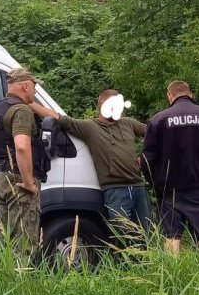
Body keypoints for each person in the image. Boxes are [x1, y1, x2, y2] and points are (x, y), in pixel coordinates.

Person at [30, 89, 151, 236]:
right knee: (122, 234)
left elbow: (155, 132)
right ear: (103, 104)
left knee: (146, 232)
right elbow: (58, 117)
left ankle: (148, 259)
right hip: (115, 189)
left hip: (138, 186)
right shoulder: (90, 127)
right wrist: (29, 102)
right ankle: (124, 259)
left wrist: (145, 158)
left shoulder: (128, 123)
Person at [143, 81, 199, 263]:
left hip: (170, 191)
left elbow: (147, 159)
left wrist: (155, 185)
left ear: (169, 96)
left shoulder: (158, 119)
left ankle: (173, 281)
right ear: (191, 94)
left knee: (172, 237)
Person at [0, 67, 46, 255]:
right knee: (23, 243)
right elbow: (21, 146)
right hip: (18, 179)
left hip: (0, 176)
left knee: (5, 239)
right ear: (25, 86)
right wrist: (28, 182)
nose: (35, 92)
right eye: (34, 87)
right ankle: (21, 281)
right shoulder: (21, 110)